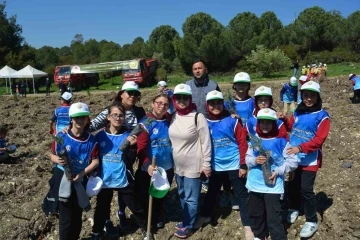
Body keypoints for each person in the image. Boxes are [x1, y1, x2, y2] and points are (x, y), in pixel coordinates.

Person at [195, 90, 253, 240]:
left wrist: (243, 165)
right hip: (215, 166)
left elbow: (242, 143)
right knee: (212, 193)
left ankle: (248, 225)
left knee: (242, 195)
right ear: (207, 106)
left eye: (218, 103)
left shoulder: (233, 121)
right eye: (212, 104)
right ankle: (205, 215)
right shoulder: (204, 123)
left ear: (223, 104)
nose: (215, 106)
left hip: (234, 164)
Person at [89, 81, 145, 229]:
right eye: (129, 93)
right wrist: (69, 131)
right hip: (109, 153)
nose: (132, 96)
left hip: (127, 154)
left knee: (125, 187)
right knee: (105, 196)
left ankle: (122, 213)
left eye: (135, 94)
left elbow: (144, 129)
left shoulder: (139, 112)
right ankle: (106, 221)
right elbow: (92, 126)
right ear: (122, 94)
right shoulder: (110, 110)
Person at [91, 102, 152, 240]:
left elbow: (130, 161)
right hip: (105, 179)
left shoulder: (129, 136)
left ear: (124, 118)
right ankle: (97, 231)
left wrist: (130, 146)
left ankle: (145, 228)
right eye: (115, 115)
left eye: (121, 116)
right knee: (102, 207)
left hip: (123, 177)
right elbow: (93, 156)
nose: (118, 118)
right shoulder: (100, 136)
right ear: (108, 117)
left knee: (134, 205)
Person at [246, 108, 298, 240]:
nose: (265, 125)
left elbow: (293, 162)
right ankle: (260, 235)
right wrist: (254, 160)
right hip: (255, 184)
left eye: (268, 123)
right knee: (255, 213)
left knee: (274, 217)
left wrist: (278, 171)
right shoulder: (254, 140)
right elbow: (247, 159)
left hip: (273, 186)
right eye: (262, 122)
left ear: (274, 124)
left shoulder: (281, 142)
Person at [286, 81, 330, 238]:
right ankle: (294, 208)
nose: (309, 98)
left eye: (312, 95)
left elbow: (319, 140)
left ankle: (312, 220)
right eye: (306, 95)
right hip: (294, 157)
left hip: (310, 159)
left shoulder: (322, 116)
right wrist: (282, 119)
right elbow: (289, 126)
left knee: (306, 188)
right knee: (292, 185)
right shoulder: (298, 112)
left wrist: (300, 148)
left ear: (317, 97)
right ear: (301, 96)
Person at [49, 102, 99, 240]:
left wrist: (82, 174)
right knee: (65, 216)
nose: (80, 120)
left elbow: (95, 161)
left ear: (87, 119)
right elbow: (51, 154)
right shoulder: (61, 136)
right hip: (63, 178)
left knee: (77, 214)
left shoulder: (92, 140)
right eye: (77, 117)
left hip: (80, 180)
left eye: (83, 117)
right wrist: (57, 159)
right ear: (71, 119)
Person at [168, 83, 212, 238]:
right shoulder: (173, 116)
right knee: (181, 194)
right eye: (178, 97)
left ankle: (189, 225)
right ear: (174, 99)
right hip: (178, 165)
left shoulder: (197, 117)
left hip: (194, 165)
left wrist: (206, 164)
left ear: (190, 99)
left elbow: (206, 142)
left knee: (191, 198)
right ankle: (187, 218)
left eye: (185, 98)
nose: (181, 101)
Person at [136, 93, 173, 230]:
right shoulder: (146, 123)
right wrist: (146, 165)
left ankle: (157, 215)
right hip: (150, 167)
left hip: (167, 166)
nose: (161, 106)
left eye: (165, 104)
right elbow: (140, 147)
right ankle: (147, 219)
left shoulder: (169, 120)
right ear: (152, 103)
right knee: (145, 195)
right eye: (159, 103)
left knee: (161, 194)